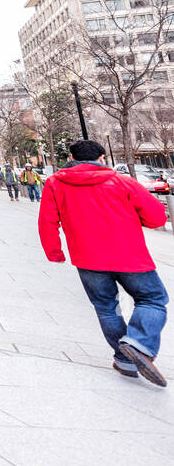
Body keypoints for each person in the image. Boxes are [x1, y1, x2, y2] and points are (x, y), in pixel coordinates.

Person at [39, 139, 167, 386]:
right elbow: (156, 217)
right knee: (152, 299)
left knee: (106, 307)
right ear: (102, 158)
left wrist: (55, 252)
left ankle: (125, 359)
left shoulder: (56, 183)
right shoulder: (122, 181)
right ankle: (138, 343)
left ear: (72, 157)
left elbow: (47, 221)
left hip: (87, 258)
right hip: (131, 256)